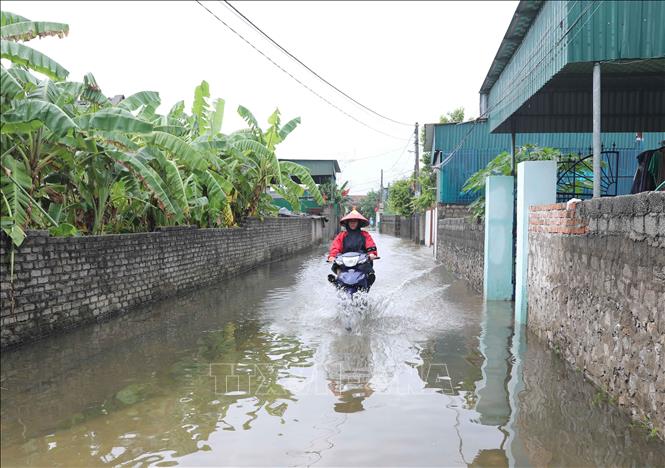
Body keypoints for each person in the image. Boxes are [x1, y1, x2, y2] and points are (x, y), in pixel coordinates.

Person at [327, 209, 378, 285]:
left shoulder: (365, 234)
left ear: (358, 223)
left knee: (367, 267)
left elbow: (371, 245)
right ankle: (337, 280)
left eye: (355, 221)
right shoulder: (342, 235)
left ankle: (369, 280)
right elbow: (335, 247)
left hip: (361, 260)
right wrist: (332, 256)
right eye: (351, 221)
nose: (352, 223)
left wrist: (372, 254)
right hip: (345, 260)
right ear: (347, 223)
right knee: (336, 265)